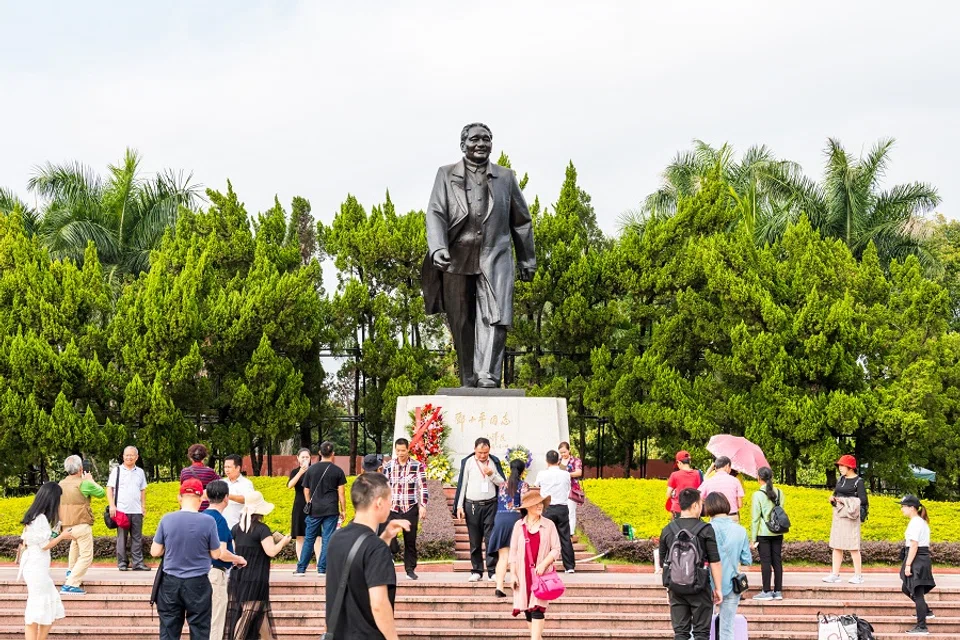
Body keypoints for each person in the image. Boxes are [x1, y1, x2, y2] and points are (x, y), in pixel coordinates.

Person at [422, 122, 536, 388]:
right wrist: (438, 247)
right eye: (475, 139)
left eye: (486, 139)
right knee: (460, 318)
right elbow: (436, 212)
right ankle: (467, 375)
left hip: (494, 253)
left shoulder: (506, 177)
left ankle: (489, 374)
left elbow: (521, 221)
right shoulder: (446, 174)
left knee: (495, 314)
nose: (481, 144)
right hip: (457, 254)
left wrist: (527, 259)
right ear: (463, 145)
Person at [324, 472, 410, 640]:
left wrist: (385, 537)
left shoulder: (336, 538)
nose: (391, 504)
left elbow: (356, 564)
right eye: (389, 499)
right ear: (379, 502)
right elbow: (378, 604)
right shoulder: (375, 548)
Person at [151, 478, 222, 640]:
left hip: (170, 583)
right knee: (200, 629)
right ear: (201, 498)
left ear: (179, 497)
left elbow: (155, 551)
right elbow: (216, 554)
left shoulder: (167, 519)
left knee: (169, 630)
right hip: (198, 584)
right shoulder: (208, 522)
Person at [657, 488, 723, 640]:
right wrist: (718, 588)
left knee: (680, 633)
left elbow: (663, 563)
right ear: (695, 506)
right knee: (701, 633)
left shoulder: (668, 529)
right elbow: (715, 561)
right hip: (700, 588)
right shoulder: (706, 529)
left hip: (676, 588)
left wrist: (669, 589)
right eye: (701, 504)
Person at [224, 492, 291, 639]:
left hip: (238, 577)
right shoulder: (262, 529)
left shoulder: (236, 528)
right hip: (256, 578)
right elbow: (271, 551)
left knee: (260, 619)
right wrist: (283, 542)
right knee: (248, 615)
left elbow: (232, 551)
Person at [20, 483, 72, 640]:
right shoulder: (41, 518)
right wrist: (62, 536)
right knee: (39, 607)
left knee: (44, 605)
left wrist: (55, 534)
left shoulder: (33, 516)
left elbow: (28, 542)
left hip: (34, 567)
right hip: (37, 569)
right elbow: (44, 545)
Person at [508, 487, 561, 640]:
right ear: (528, 507)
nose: (540, 506)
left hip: (541, 575)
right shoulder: (519, 525)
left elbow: (556, 548)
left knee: (538, 609)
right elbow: (513, 551)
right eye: (536, 504)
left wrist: (544, 564)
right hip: (522, 574)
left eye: (541, 504)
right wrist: (513, 575)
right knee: (528, 611)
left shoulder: (549, 524)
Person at [454, 438, 506, 581]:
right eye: (480, 453)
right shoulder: (469, 462)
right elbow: (462, 485)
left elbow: (502, 483)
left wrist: (491, 474)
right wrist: (459, 506)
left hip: (491, 505)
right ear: (474, 449)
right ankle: (476, 570)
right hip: (472, 506)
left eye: (485, 453)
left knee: (490, 539)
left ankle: (492, 571)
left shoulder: (494, 462)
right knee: (475, 540)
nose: (483, 456)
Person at [203, 480, 248, 640]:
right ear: (226, 498)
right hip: (215, 574)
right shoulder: (219, 521)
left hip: (199, 574)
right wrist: (238, 558)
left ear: (207, 496)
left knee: (203, 622)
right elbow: (221, 552)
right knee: (216, 620)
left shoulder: (201, 517)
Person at [704, 493, 751, 640]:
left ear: (708, 508)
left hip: (707, 585)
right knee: (727, 630)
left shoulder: (705, 529)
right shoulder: (740, 530)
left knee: (701, 629)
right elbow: (746, 560)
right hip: (732, 585)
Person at [295, 441, 346, 576]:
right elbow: (341, 493)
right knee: (327, 538)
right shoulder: (338, 471)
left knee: (309, 538)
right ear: (333, 454)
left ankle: (301, 569)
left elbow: (306, 490)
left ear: (319, 453)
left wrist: (309, 503)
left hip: (314, 510)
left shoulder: (311, 470)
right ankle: (322, 569)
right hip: (331, 510)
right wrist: (344, 510)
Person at [58, 455, 105, 594]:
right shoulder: (84, 483)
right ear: (80, 468)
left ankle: (71, 571)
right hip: (81, 523)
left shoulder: (61, 483)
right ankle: (71, 584)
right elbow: (101, 493)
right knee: (86, 556)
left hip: (66, 525)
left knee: (75, 544)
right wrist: (91, 480)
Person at [383, 438, 429, 580]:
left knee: (410, 540)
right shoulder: (389, 466)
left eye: (403, 450)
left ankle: (410, 569)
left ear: (408, 449)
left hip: (410, 507)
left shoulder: (417, 465)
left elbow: (423, 487)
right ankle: (393, 553)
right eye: (398, 451)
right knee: (390, 537)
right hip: (393, 508)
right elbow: (384, 486)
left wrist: (423, 506)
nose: (400, 453)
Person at [823, 454, 868, 584]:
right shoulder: (841, 479)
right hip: (839, 514)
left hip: (851, 516)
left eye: (842, 466)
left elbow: (863, 500)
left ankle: (858, 575)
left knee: (853, 546)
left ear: (851, 467)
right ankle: (835, 574)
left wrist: (843, 500)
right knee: (837, 545)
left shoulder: (858, 481)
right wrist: (833, 499)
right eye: (839, 466)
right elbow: (836, 494)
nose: (840, 468)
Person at [107, 446, 150, 572]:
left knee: (137, 538)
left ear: (137, 457)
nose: (129, 457)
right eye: (126, 455)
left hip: (136, 510)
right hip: (121, 510)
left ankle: (138, 563)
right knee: (122, 538)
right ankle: (122, 563)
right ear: (123, 456)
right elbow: (109, 488)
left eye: (132, 455)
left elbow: (142, 490)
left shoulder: (140, 472)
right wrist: (112, 506)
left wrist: (143, 506)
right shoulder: (117, 471)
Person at [490, 458, 528, 598]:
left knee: (503, 556)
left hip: (500, 519)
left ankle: (499, 586)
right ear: (523, 471)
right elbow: (525, 503)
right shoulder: (523, 485)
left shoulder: (502, 485)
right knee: (517, 555)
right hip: (515, 519)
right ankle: (516, 585)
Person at [899, 495, 935, 636]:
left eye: (903, 506)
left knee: (917, 593)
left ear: (912, 508)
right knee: (906, 587)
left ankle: (922, 626)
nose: (902, 509)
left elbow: (914, 545)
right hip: (921, 558)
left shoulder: (916, 522)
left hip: (917, 559)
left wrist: (908, 564)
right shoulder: (920, 521)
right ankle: (926, 611)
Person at [535, 450, 576, 573]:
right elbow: (568, 488)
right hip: (562, 508)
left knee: (545, 537)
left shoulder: (542, 474)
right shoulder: (566, 474)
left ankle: (542, 564)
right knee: (565, 537)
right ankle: (569, 567)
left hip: (547, 508)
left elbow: (536, 486)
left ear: (546, 461)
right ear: (558, 461)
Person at [751, 466, 784, 600]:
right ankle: (778, 591)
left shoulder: (757, 495)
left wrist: (753, 539)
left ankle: (766, 591)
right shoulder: (780, 493)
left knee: (765, 561)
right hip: (778, 532)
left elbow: (755, 519)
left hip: (763, 533)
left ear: (759, 478)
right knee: (777, 560)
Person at [288, 448, 321, 563]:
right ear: (297, 458)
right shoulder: (295, 472)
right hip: (299, 506)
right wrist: (301, 472)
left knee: (317, 536)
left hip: (314, 505)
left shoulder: (315, 471)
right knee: (300, 535)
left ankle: (319, 563)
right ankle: (301, 564)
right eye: (302, 457)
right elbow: (290, 485)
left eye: (307, 457)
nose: (305, 459)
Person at [698, 456, 744, 523]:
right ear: (727, 466)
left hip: (715, 518)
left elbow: (698, 498)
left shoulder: (708, 481)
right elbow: (740, 504)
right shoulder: (735, 481)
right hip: (732, 517)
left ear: (715, 467)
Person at [179, 443, 220, 512]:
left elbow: (182, 490)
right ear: (204, 457)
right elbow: (221, 486)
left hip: (188, 507)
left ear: (190, 457)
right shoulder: (210, 472)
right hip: (205, 508)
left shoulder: (185, 472)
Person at [222, 453, 255, 531]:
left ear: (238, 468)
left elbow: (248, 499)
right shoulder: (222, 482)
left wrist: (228, 496)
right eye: (225, 467)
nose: (226, 470)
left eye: (229, 467)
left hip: (239, 526)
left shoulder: (246, 483)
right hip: (223, 525)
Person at [666, 451, 702, 519]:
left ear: (679, 462)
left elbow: (668, 494)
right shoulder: (698, 474)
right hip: (693, 510)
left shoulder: (674, 475)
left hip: (678, 509)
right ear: (690, 462)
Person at [558, 442, 583, 535]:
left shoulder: (576, 460)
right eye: (561, 453)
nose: (563, 454)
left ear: (569, 450)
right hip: (560, 489)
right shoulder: (558, 461)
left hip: (572, 489)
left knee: (570, 510)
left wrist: (566, 474)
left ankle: (571, 532)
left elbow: (578, 472)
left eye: (564, 452)